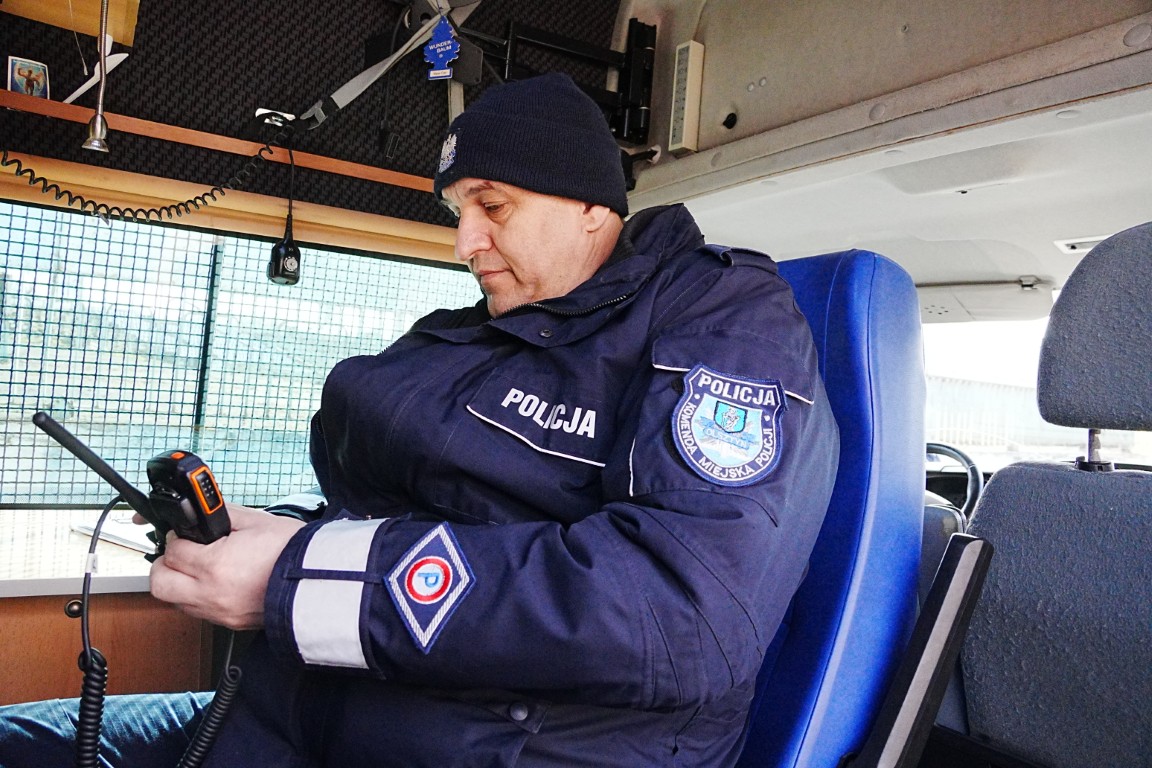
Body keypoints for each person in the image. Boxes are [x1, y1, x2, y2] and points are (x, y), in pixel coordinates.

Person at [0, 72, 838, 767]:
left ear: (591, 206)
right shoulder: (466, 335)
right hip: (290, 710)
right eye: (457, 213)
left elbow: (680, 614)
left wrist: (297, 578)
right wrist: (274, 534)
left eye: (493, 206)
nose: (464, 242)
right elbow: (396, 516)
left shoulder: (726, 317)